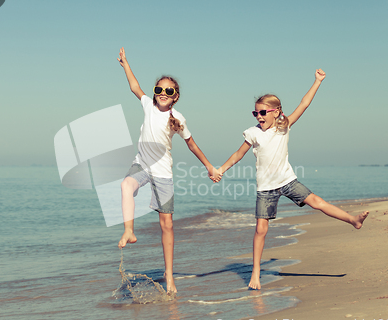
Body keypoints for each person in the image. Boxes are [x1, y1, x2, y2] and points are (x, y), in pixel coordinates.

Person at [216, 69, 369, 290]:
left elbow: (304, 104)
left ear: (276, 112)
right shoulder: (253, 133)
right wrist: (221, 169)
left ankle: (353, 220)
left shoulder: (283, 126)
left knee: (317, 202)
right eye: (255, 113)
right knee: (261, 229)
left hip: (287, 181)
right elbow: (238, 154)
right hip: (266, 188)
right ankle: (255, 274)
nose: (259, 117)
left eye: (262, 112)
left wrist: (317, 81)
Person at [116, 47, 220, 294]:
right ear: (155, 93)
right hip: (142, 164)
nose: (163, 93)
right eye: (159, 89)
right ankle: (129, 230)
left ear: (176, 96)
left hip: (163, 173)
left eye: (168, 91)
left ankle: (169, 275)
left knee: (167, 226)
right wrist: (125, 64)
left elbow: (192, 144)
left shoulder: (178, 118)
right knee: (125, 185)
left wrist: (208, 166)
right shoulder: (147, 105)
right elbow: (134, 86)